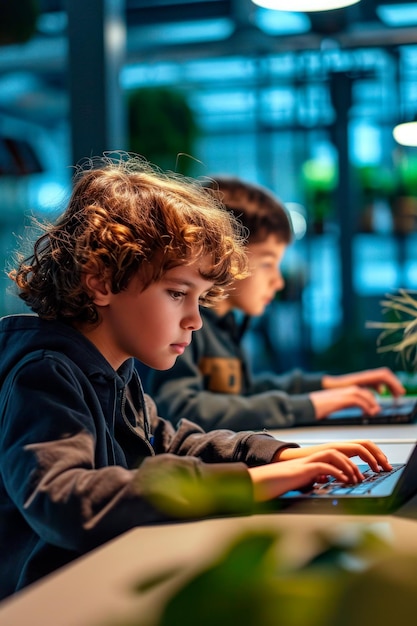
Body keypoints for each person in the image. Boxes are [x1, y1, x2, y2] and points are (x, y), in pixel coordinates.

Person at [0, 155, 392, 600]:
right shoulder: (44, 374)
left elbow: (167, 442)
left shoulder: (112, 369)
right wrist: (246, 484)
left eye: (200, 299)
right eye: (177, 294)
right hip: (48, 601)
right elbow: (66, 500)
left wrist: (277, 457)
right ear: (102, 281)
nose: (194, 320)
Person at [148, 175, 405, 431]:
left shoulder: (224, 326)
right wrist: (307, 405)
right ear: (226, 257)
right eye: (268, 263)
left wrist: (328, 386)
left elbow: (243, 393)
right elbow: (181, 409)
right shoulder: (184, 326)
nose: (278, 281)